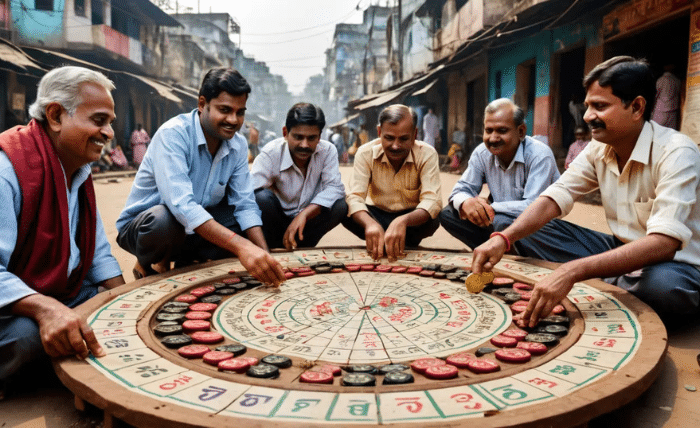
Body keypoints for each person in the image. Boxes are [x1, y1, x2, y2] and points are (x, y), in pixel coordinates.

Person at [472, 56, 700, 326]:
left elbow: (664, 243)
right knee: (508, 222)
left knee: (664, 288)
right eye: (588, 105)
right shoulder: (599, 147)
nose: (588, 116)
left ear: (637, 107)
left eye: (600, 106)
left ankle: (604, 277)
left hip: (676, 264)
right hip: (619, 247)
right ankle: (614, 279)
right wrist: (504, 239)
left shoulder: (677, 151)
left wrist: (572, 270)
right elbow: (556, 196)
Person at [0, 66, 125, 395]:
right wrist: (47, 309)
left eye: (109, 122)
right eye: (99, 121)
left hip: (63, 291)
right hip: (14, 306)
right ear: (55, 115)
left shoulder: (78, 170)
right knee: (29, 336)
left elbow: (98, 254)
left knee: (108, 313)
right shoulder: (7, 170)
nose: (109, 132)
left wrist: (126, 304)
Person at [116, 67, 285, 286]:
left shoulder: (238, 144)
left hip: (195, 228)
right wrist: (243, 247)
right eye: (224, 110)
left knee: (264, 202)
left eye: (240, 112)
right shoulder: (173, 134)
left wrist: (263, 253)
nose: (233, 120)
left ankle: (189, 260)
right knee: (164, 221)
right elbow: (182, 206)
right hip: (149, 230)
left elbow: (244, 205)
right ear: (202, 104)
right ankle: (152, 261)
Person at [439, 99, 559, 250]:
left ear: (521, 131)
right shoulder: (482, 153)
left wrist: (491, 207)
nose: (493, 138)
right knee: (449, 214)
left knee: (501, 221)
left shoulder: (539, 155)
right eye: (488, 131)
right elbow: (461, 189)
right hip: (499, 221)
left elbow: (534, 206)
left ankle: (517, 253)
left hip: (540, 227)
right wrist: (466, 202)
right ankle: (492, 250)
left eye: (502, 131)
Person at [343, 104, 442, 261]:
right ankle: (382, 239)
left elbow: (432, 201)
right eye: (389, 138)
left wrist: (403, 221)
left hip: (411, 219)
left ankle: (398, 241)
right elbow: (355, 197)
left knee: (434, 216)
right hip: (376, 215)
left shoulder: (427, 153)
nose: (395, 146)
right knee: (342, 207)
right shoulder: (365, 152)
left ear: (415, 134)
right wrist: (370, 224)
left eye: (403, 139)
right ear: (379, 132)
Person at [250, 103, 348, 250]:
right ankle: (274, 245)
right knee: (261, 198)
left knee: (340, 206)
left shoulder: (328, 151)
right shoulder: (271, 153)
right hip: (278, 221)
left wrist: (303, 215)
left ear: (319, 137)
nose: (304, 145)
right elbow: (248, 193)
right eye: (298, 137)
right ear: (285, 132)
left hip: (308, 222)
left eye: (311, 138)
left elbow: (335, 188)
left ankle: (303, 245)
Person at [651, 63, 681, 130]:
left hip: (660, 111)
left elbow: (655, 95)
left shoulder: (661, 80)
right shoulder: (677, 80)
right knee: (670, 134)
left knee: (655, 131)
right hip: (673, 111)